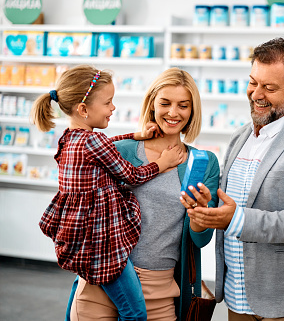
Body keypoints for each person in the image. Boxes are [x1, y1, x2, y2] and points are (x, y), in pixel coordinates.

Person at [184, 38, 284, 320]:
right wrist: (209, 206)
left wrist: (235, 219)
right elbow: (230, 203)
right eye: (253, 82)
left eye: (269, 88)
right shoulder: (240, 136)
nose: (257, 94)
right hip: (236, 295)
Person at [31, 65, 183, 321]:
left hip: (80, 241)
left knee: (81, 291)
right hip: (103, 245)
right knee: (134, 314)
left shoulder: (69, 139)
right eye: (108, 102)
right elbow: (131, 176)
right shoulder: (94, 143)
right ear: (83, 109)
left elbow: (105, 145)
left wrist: (136, 135)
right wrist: (163, 163)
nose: (113, 108)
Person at [67, 67, 220, 321]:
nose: (173, 112)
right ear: (152, 105)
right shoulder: (119, 151)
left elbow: (200, 241)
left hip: (160, 293)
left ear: (192, 111)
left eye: (183, 105)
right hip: (100, 287)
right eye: (165, 103)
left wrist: (199, 215)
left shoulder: (204, 162)